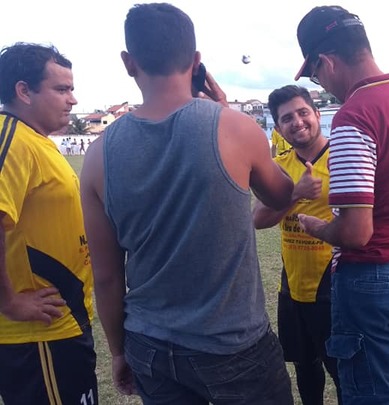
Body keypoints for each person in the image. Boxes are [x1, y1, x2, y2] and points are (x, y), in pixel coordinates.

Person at [80, 4, 295, 404]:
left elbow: (107, 277)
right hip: (233, 343)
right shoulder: (233, 127)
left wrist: (118, 352)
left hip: (150, 343)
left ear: (129, 63)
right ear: (196, 61)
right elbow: (282, 194)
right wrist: (226, 111)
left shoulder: (97, 156)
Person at [293, 5, 389, 405]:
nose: (320, 83)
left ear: (325, 61)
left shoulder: (353, 115)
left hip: (372, 278)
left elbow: (357, 233)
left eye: (314, 74)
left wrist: (318, 227)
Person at [0, 43, 97, 405]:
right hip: (37, 336)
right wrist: (8, 301)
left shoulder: (37, 140)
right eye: (62, 89)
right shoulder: (11, 140)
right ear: (23, 91)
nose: (72, 100)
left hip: (65, 321)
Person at [254, 85, 342, 405]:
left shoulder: (341, 157)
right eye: (287, 118)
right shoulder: (278, 166)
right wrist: (296, 193)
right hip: (292, 285)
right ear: (278, 128)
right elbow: (259, 219)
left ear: (318, 114)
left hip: (334, 285)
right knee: (305, 368)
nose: (297, 122)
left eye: (303, 112)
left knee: (341, 368)